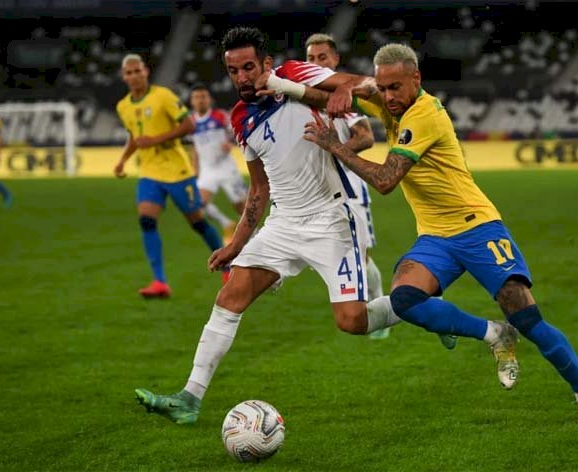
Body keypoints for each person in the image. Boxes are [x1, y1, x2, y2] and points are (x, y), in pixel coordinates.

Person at [133, 28, 514, 424]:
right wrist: (235, 245)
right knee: (230, 297)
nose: (243, 77)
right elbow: (258, 190)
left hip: (330, 221)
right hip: (282, 224)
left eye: (249, 67)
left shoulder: (297, 74)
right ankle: (189, 399)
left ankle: (423, 307)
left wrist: (348, 91)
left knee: (353, 321)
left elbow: (364, 84)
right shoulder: (240, 118)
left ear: (267, 64)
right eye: (233, 71)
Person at [303, 43, 578, 425]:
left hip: (476, 226)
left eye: (396, 87)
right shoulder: (388, 102)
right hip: (436, 237)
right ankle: (495, 335)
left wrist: (336, 147)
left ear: (416, 79)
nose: (388, 97)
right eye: (383, 88)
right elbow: (321, 94)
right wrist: (280, 87)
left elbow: (384, 180)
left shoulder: (425, 115)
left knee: (526, 315)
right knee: (406, 299)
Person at [305, 33, 395, 342]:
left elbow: (366, 136)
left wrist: (334, 151)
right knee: (338, 256)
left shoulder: (344, 95)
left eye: (322, 58)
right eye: (311, 59)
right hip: (322, 193)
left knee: (362, 257)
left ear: (335, 60)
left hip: (352, 189)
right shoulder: (306, 95)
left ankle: (381, 304)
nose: (317, 63)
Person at [114, 54, 225, 298]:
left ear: (146, 71)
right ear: (124, 77)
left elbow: (189, 126)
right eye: (128, 72)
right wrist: (123, 160)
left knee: (197, 223)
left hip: (177, 172)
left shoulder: (163, 96)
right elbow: (135, 137)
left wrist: (155, 140)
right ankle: (160, 282)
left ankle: (227, 265)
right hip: (149, 172)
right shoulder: (123, 106)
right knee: (146, 220)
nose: (133, 76)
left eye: (137, 71)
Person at [188, 82, 247, 244]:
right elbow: (195, 147)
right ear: (191, 101)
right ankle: (226, 223)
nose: (200, 100)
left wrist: (230, 142)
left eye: (203, 97)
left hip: (227, 168)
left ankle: (253, 235)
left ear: (209, 100)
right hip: (208, 171)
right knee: (198, 206)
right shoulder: (190, 122)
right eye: (197, 97)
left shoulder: (220, 116)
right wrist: (195, 170)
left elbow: (237, 132)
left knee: (241, 207)